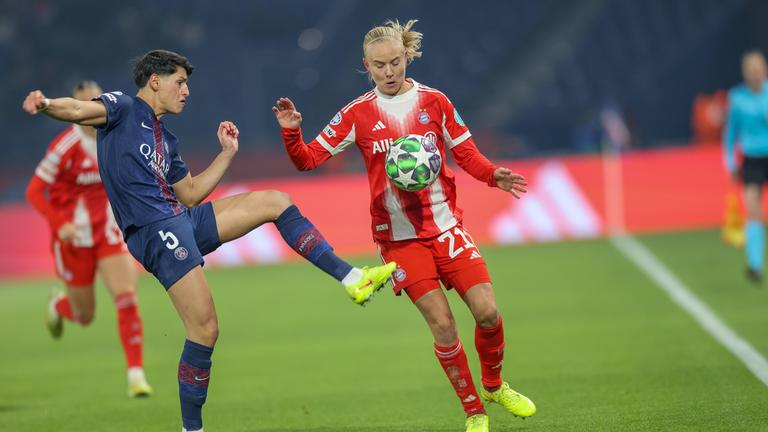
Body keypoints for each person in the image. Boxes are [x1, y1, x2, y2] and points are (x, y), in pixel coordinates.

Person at [23, 49, 395, 432]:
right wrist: (47, 104)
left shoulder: (165, 139)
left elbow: (190, 193)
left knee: (275, 201)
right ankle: (192, 429)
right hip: (154, 231)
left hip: (180, 219)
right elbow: (78, 109)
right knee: (204, 329)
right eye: (180, 82)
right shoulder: (123, 108)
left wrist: (226, 154)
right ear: (155, 81)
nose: (186, 92)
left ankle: (353, 279)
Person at [273, 19, 535, 432]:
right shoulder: (357, 114)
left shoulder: (435, 102)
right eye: (380, 65)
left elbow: (465, 152)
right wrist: (292, 133)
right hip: (399, 241)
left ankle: (494, 385)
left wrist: (491, 175)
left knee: (487, 312)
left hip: (446, 228)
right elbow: (307, 160)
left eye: (396, 62)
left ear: (407, 56)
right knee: (443, 325)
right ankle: (474, 413)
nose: (390, 71)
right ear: (367, 66)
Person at [25, 80, 152, 398]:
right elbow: (34, 192)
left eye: (96, 102)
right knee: (85, 316)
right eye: (83, 104)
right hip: (74, 239)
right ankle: (60, 306)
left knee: (126, 297)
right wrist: (60, 224)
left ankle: (136, 375)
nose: (91, 110)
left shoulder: (116, 136)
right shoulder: (64, 147)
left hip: (108, 233)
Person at [723, 50, 768, 284]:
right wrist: (730, 162)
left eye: (759, 69)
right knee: (752, 207)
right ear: (745, 73)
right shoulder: (737, 98)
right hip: (751, 158)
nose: (755, 74)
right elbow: (730, 133)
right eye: (751, 70)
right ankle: (755, 263)